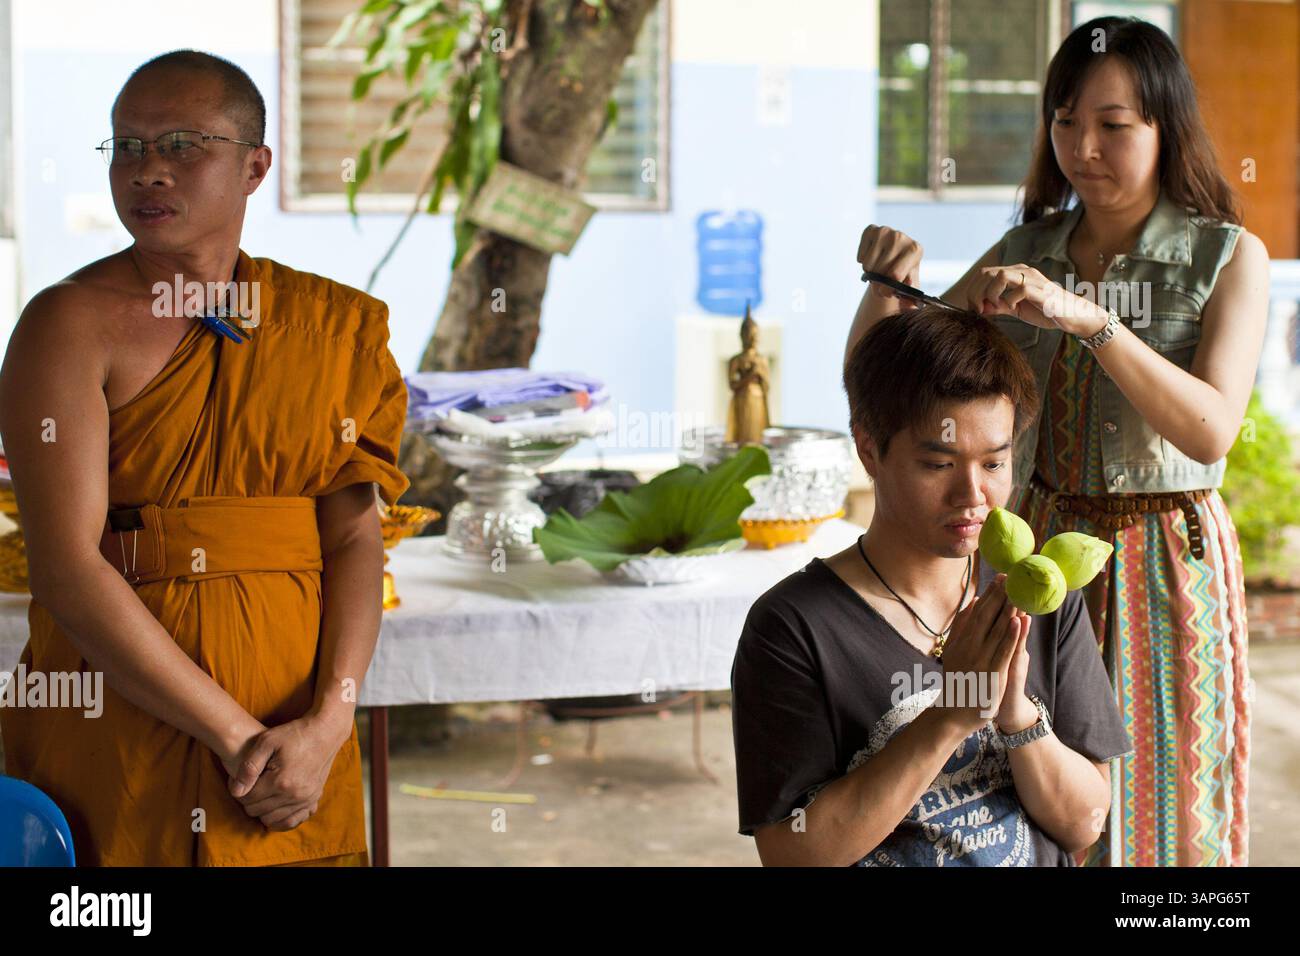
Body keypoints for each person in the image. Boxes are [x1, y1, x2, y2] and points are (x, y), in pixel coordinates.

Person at [847, 17, 1267, 866]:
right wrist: (884, 287)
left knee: (1163, 795)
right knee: (1027, 775)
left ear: (1165, 126)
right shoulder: (1026, 250)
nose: (1085, 145)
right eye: (1066, 119)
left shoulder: (1226, 255)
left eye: (1115, 125)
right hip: (1031, 551)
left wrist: (1091, 320)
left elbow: (1211, 426)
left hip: (1162, 563)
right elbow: (886, 378)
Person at [0, 50, 409, 866]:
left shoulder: (331, 329)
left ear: (255, 167)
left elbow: (356, 537)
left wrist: (329, 724)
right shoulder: (68, 325)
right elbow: (67, 566)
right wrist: (235, 737)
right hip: (125, 723)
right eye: (127, 147)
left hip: (299, 744)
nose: (147, 171)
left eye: (182, 145)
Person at [731, 305, 1133, 866]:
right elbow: (794, 855)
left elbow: (1083, 826)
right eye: (939, 464)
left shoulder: (1043, 594)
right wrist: (952, 713)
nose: (973, 495)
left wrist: (1017, 714)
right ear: (869, 447)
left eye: (995, 463)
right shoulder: (794, 626)